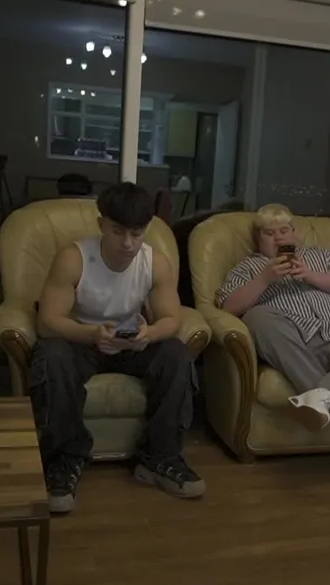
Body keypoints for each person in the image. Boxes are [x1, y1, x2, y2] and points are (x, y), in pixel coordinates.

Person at [29, 182, 205, 514]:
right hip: (83, 339)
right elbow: (47, 321)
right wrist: (92, 334)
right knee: (51, 355)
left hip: (131, 341)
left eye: (136, 234)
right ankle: (64, 460)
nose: (127, 243)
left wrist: (148, 334)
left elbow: (171, 319)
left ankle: (160, 457)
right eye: (118, 231)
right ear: (102, 225)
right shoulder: (73, 258)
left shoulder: (156, 262)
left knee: (176, 354)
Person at [216, 204, 330, 430]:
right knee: (257, 317)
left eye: (284, 230)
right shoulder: (249, 267)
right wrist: (264, 280)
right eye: (269, 233)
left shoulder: (319, 256)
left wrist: (311, 276)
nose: (278, 238)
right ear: (258, 239)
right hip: (293, 343)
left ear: (295, 234)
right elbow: (228, 306)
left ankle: (321, 400)